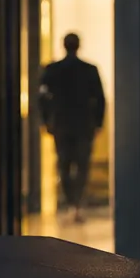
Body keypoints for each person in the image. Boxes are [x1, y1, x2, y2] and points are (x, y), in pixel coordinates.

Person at [36, 33, 106, 222]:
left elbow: (42, 98)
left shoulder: (52, 70)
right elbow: (100, 99)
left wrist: (45, 121)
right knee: (82, 165)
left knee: (64, 163)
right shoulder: (89, 70)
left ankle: (70, 202)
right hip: (84, 124)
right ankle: (77, 203)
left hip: (61, 124)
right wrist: (98, 122)